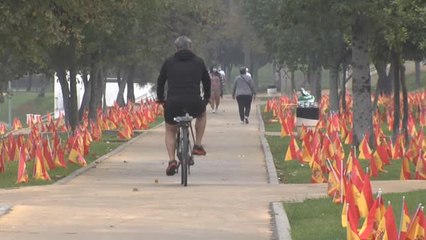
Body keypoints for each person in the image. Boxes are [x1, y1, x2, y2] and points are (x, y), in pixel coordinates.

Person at [156, 36, 211, 176]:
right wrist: (206, 98)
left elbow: (161, 81)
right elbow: (207, 81)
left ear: (176, 48)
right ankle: (198, 145)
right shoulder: (199, 62)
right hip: (194, 101)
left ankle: (171, 160)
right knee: (202, 114)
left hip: (173, 102)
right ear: (191, 47)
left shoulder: (169, 62)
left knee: (170, 130)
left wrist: (161, 99)